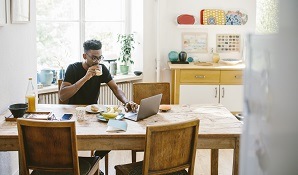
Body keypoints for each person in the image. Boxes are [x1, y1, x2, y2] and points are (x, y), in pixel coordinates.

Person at [59, 39, 138, 164]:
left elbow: (116, 88)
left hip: (95, 115)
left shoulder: (102, 69)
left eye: (100, 58)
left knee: (116, 131)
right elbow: (62, 96)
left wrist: (126, 102)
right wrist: (85, 78)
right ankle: (86, 165)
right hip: (76, 115)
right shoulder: (73, 68)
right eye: (94, 58)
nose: (97, 61)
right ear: (85, 56)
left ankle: (93, 161)